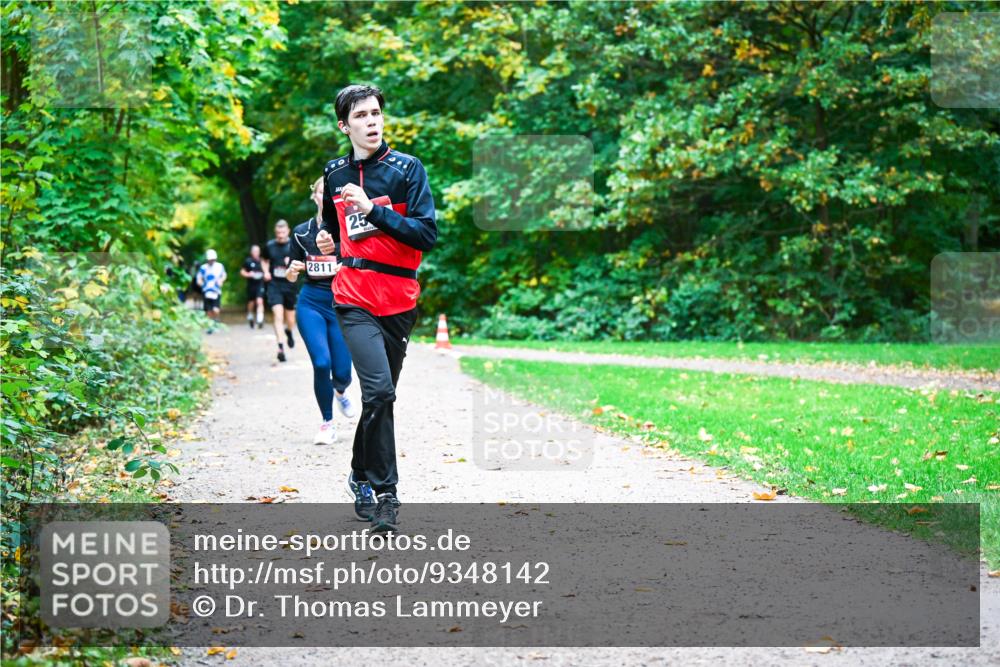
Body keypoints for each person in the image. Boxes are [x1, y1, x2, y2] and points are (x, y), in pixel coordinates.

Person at [317, 84, 437, 531]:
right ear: (344, 125)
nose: (372, 122)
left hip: (399, 299)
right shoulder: (333, 173)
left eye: (376, 114)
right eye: (361, 116)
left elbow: (425, 234)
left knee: (378, 399)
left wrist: (374, 210)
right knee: (380, 392)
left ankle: (358, 473)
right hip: (353, 297)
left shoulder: (407, 169)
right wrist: (328, 240)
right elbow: (331, 227)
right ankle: (387, 494)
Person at [285, 177, 358, 446]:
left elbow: (361, 263)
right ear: (315, 197)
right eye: (320, 192)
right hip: (311, 303)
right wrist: (291, 272)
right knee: (321, 363)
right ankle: (327, 423)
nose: (325, 197)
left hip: (341, 302)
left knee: (343, 373)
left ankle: (340, 391)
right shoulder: (301, 233)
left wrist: (346, 267)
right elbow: (290, 275)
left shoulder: (348, 231)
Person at [262, 220, 298, 362]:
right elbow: (264, 260)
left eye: (283, 233)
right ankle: (280, 347)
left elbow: (303, 262)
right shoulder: (270, 246)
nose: (281, 235)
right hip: (274, 285)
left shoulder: (293, 245)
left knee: (290, 319)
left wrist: (292, 262)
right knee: (278, 315)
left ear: (288, 231)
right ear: (275, 232)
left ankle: (288, 331)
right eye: (278, 233)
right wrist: (266, 272)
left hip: (290, 285)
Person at [196, 249, 226, 332]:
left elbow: (223, 275)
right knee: (208, 310)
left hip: (216, 290)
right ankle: (210, 325)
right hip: (206, 291)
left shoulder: (219, 266)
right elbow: (199, 278)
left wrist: (221, 281)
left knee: (216, 309)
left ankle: (215, 321)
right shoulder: (203, 268)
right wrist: (201, 284)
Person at [240, 244, 266, 329]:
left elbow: (267, 270)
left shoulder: (262, 261)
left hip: (260, 284)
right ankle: (250, 315)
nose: (256, 253)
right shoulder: (248, 261)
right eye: (254, 251)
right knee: (251, 302)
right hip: (251, 285)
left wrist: (265, 274)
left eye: (257, 251)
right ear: (251, 252)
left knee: (259, 301)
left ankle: (259, 319)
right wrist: (248, 274)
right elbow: (242, 272)